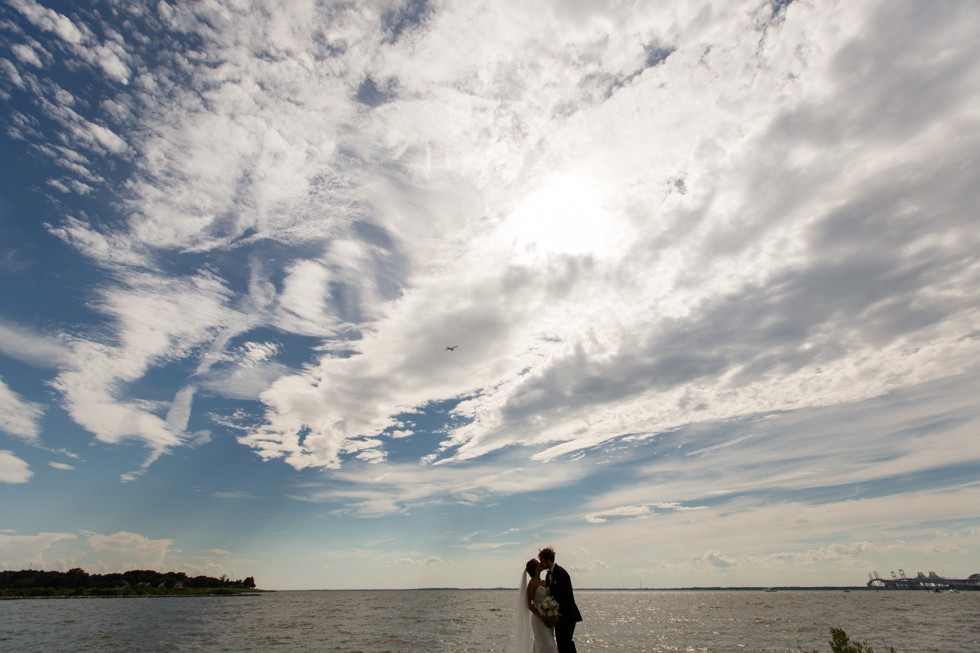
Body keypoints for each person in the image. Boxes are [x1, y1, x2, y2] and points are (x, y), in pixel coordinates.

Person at [507, 558, 558, 653]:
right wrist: (541, 616)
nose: (541, 564)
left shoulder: (544, 581)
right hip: (539, 619)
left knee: (547, 643)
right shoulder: (532, 584)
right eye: (538, 563)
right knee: (548, 646)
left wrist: (551, 612)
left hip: (548, 618)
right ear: (535, 569)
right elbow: (528, 604)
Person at [538, 547, 582, 653]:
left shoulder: (561, 573)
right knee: (561, 644)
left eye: (542, 560)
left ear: (548, 559)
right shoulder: (548, 575)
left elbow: (567, 597)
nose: (541, 563)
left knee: (566, 642)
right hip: (557, 617)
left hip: (568, 616)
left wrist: (559, 614)